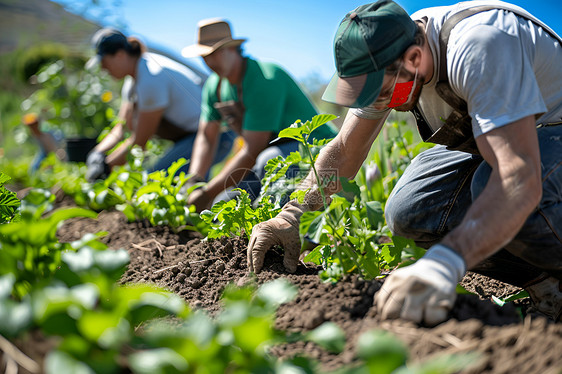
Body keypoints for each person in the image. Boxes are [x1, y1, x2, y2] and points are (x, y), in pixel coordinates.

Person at [247, 0, 562, 325]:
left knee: (493, 184)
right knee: (412, 207)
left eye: (382, 94)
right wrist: (294, 213)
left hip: (552, 138)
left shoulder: (480, 46)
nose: (379, 103)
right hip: (511, 147)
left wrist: (445, 261)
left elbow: (517, 177)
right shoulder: (387, 58)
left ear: (414, 58)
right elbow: (344, 150)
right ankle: (550, 289)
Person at [181, 19, 338, 211]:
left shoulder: (264, 78)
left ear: (233, 49)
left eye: (216, 53)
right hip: (268, 157)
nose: (210, 62)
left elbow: (252, 150)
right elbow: (206, 136)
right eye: (205, 56)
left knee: (267, 163)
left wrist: (206, 193)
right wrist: (195, 180)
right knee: (221, 205)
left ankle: (290, 226)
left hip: (316, 152)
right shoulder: (215, 86)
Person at [84, 28, 235, 182]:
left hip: (214, 137)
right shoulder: (133, 81)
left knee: (156, 182)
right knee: (164, 183)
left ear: (120, 55)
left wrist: (105, 167)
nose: (103, 68)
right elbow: (122, 128)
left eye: (104, 61)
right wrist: (97, 153)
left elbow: (140, 142)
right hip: (191, 138)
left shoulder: (151, 77)